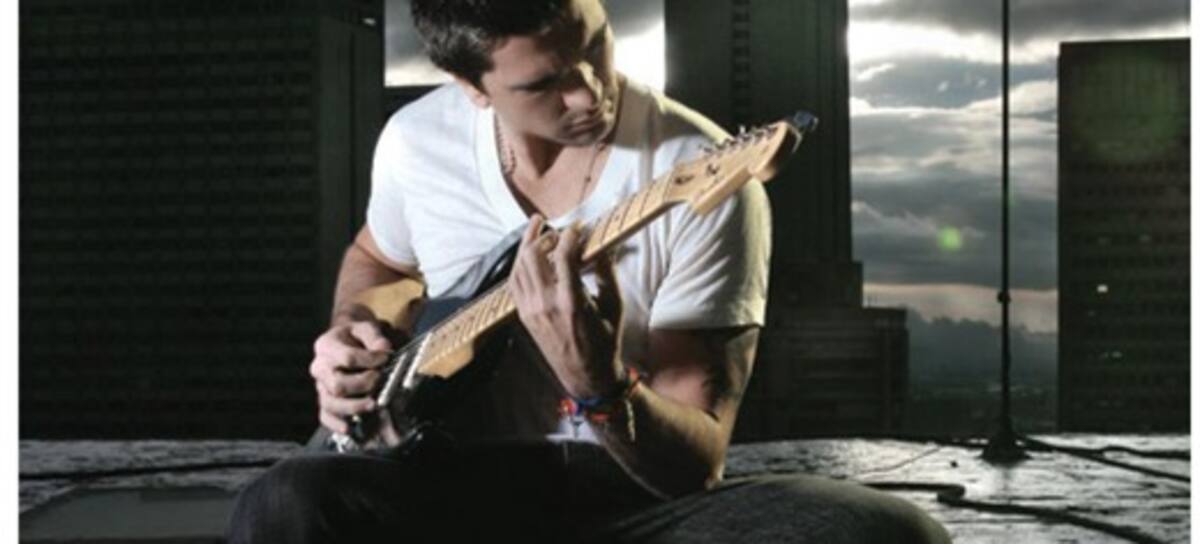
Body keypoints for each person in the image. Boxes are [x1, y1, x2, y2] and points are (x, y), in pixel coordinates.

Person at [227, 1, 951, 542]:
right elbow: (380, 257)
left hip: (626, 503)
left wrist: (597, 380)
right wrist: (353, 328)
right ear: (470, 85)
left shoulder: (697, 175)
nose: (589, 94)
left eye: (596, 45)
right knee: (285, 500)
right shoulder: (417, 142)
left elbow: (693, 467)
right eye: (544, 83)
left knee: (877, 530)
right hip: (440, 482)